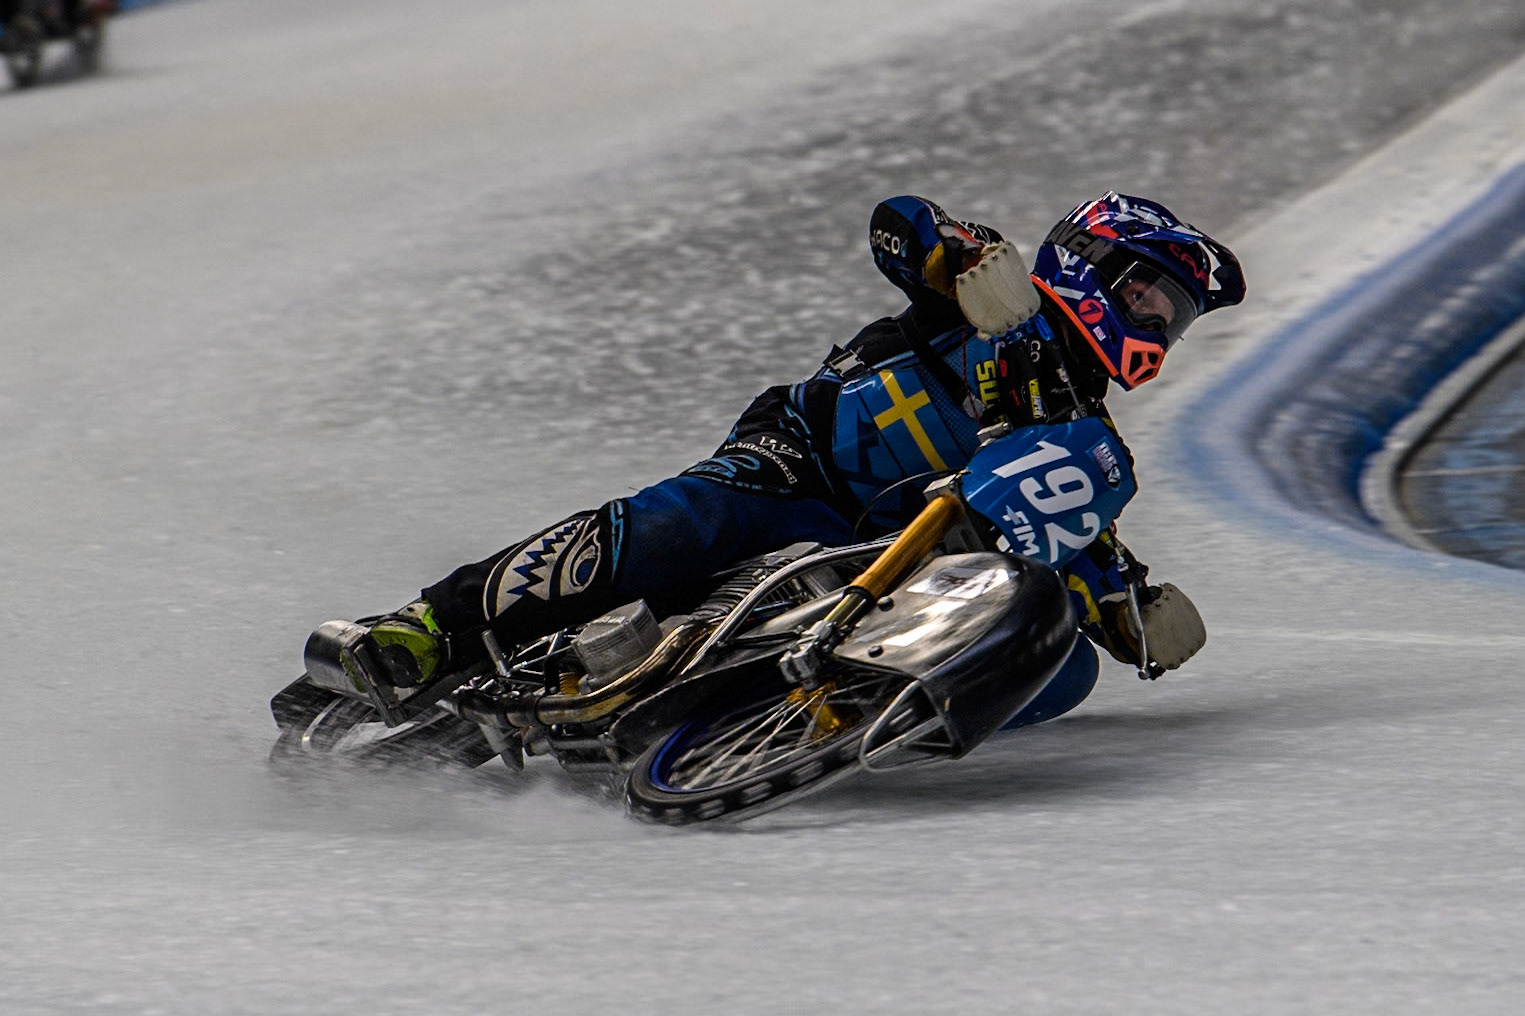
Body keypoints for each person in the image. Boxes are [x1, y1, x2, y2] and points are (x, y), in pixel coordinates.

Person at [326, 191, 1245, 729]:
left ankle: (807, 722)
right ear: (1089, 258)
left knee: (1060, 665)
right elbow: (898, 224)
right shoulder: (994, 299)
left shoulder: (1082, 436)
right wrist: (958, 256)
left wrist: (1122, 604)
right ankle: (429, 623)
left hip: (885, 560)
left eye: (1171, 314)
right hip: (797, 464)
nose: (1155, 321)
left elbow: (1052, 529)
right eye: (1148, 294)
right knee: (686, 521)